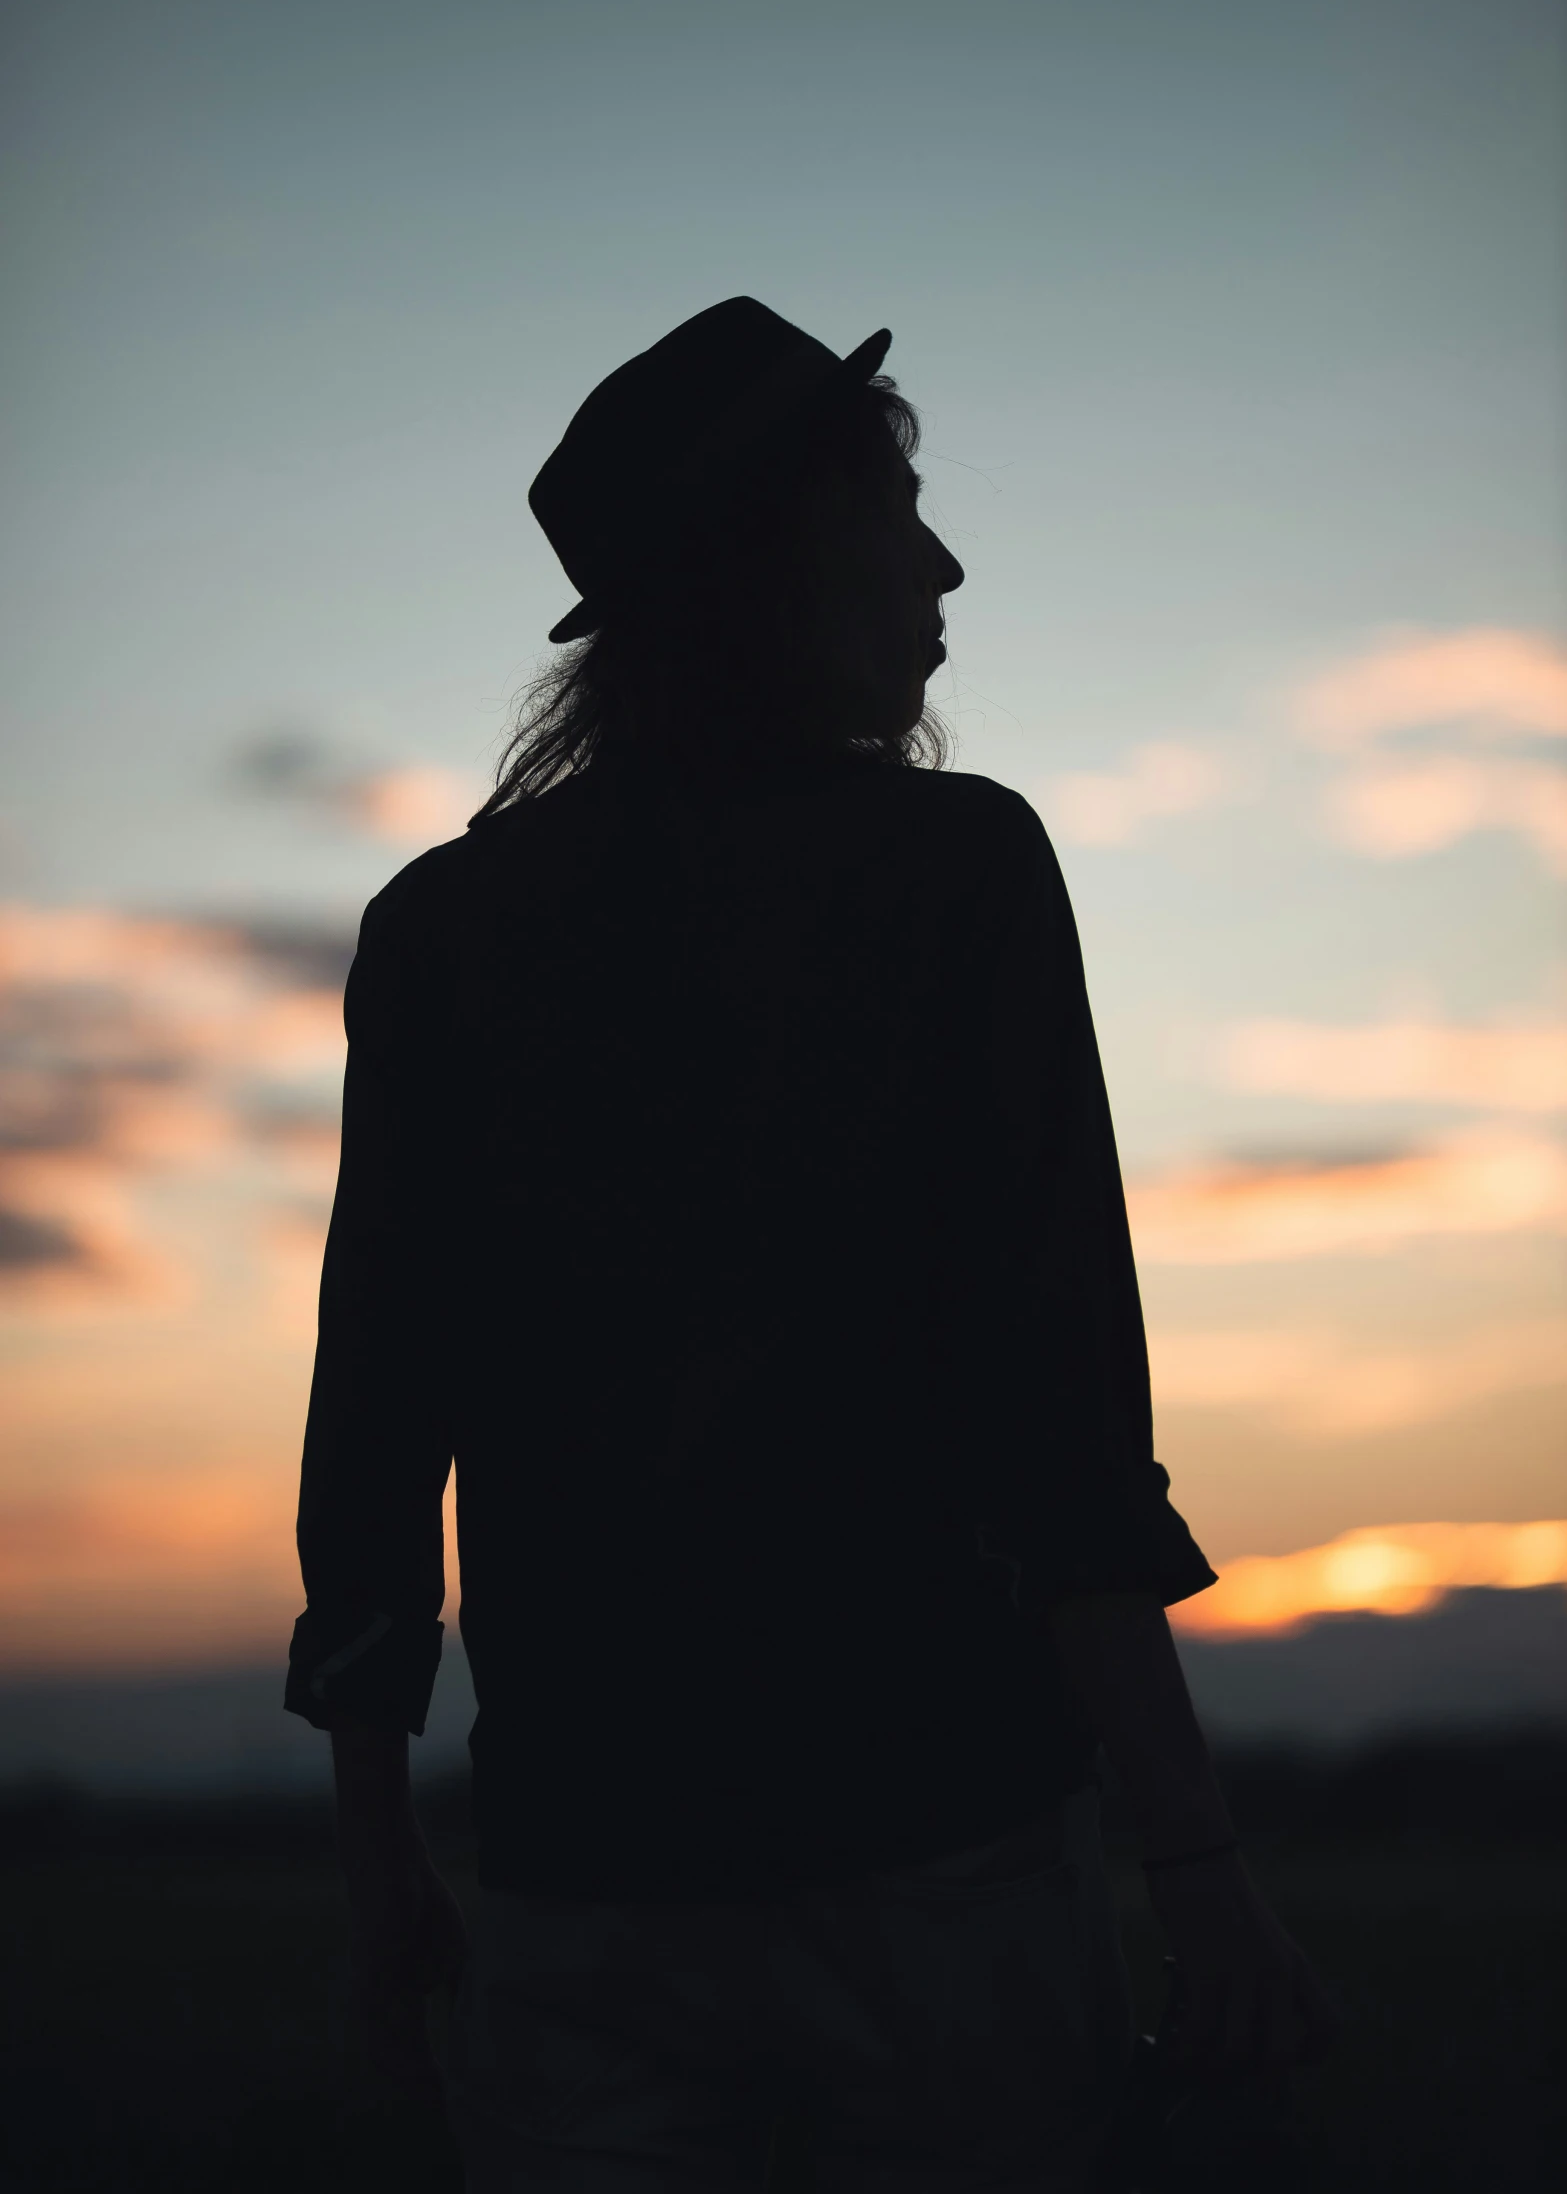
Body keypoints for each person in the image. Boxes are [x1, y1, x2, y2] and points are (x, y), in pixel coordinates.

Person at [284, 298, 1339, 2191]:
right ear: (761, 561)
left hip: (575, 1883)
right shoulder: (960, 874)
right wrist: (1192, 1857)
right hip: (938, 1867)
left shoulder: (440, 928)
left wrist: (386, 1871)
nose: (940, 562)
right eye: (894, 509)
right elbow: (1060, 1409)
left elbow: (375, 1431)